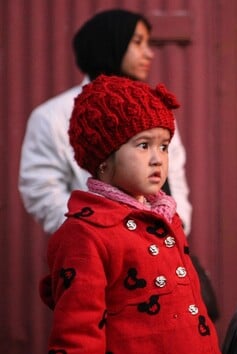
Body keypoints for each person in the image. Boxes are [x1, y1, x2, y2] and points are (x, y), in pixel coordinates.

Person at [40, 74, 231, 354]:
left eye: (164, 146)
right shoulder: (86, 234)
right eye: (143, 145)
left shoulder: (165, 220)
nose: (158, 158)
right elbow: (77, 342)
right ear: (103, 160)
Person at [19, 8, 192, 235]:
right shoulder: (52, 116)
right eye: (137, 42)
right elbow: (41, 188)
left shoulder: (155, 108)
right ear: (110, 44)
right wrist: (94, 230)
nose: (149, 53)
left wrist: (175, 226)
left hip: (162, 240)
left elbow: (175, 176)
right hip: (97, 247)